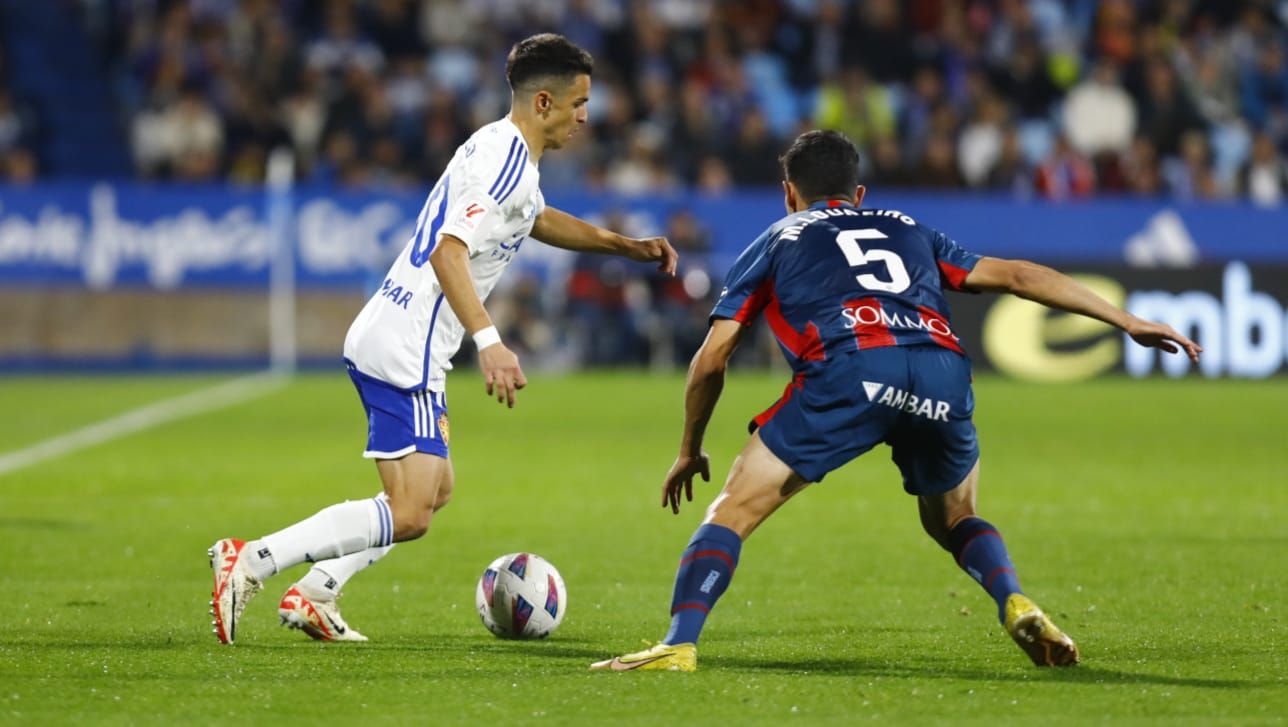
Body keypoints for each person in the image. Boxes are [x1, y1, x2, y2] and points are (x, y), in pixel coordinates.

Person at [591, 130, 1200, 672]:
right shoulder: (907, 227)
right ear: (859, 193)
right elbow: (1016, 275)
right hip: (941, 370)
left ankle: (678, 644)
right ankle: (1012, 597)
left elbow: (712, 356)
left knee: (731, 512)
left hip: (850, 369)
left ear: (788, 193)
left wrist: (689, 447)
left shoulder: (778, 236)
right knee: (956, 519)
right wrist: (1126, 320)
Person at [208, 34, 678, 645]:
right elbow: (447, 252)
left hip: (395, 333)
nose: (586, 115)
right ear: (543, 102)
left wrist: (625, 245)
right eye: (579, 102)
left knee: (437, 491)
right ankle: (250, 560)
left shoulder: (504, 150)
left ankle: (317, 591)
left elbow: (534, 217)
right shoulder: (504, 162)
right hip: (409, 347)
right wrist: (491, 341)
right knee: (410, 513)